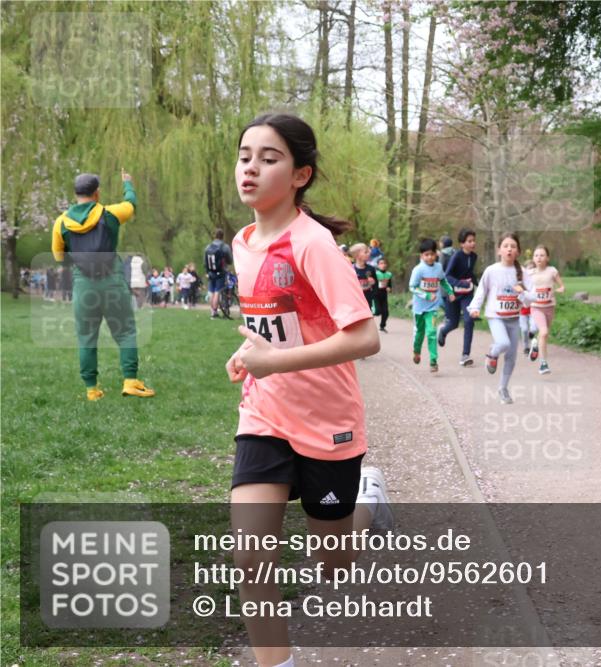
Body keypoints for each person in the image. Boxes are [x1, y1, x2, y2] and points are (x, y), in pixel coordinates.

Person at [226, 112, 391, 667]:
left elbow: (365, 337)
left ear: (301, 175)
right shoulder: (243, 242)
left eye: (268, 158)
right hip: (266, 414)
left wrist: (275, 360)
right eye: (245, 156)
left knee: (333, 563)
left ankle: (367, 499)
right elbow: (274, 325)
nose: (251, 168)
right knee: (251, 558)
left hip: (328, 422)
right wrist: (250, 356)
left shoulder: (313, 244)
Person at [51, 169, 155, 400]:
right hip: (112, 281)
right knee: (125, 331)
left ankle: (92, 389)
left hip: (83, 285)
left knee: (86, 337)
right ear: (96, 193)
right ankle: (130, 381)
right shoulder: (110, 214)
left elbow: (59, 256)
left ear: (76, 194)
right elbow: (131, 204)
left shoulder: (61, 223)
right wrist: (128, 184)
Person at [468, 233, 534, 404]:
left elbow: (531, 298)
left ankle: (503, 388)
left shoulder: (523, 273)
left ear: (518, 251)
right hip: (495, 316)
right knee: (503, 343)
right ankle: (492, 353)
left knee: (512, 356)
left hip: (514, 318)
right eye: (505, 246)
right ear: (499, 250)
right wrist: (475, 308)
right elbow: (481, 290)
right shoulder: (492, 270)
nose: (509, 249)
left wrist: (522, 293)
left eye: (513, 246)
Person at [409, 238, 455, 372]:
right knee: (420, 333)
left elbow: (443, 281)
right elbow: (412, 287)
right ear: (421, 256)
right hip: (419, 308)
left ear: (436, 254)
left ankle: (433, 361)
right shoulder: (418, 270)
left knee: (431, 333)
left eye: (432, 254)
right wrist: (427, 295)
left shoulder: (438, 267)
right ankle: (416, 351)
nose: (429, 257)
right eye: (426, 255)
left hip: (432, 308)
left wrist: (450, 292)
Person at [438, 228, 478, 366]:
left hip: (467, 294)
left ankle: (465, 355)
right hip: (453, 294)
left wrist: (480, 285)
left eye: (473, 241)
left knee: (469, 320)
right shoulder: (456, 256)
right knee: (453, 323)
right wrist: (461, 283)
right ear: (462, 244)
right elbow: (447, 276)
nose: (473, 243)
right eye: (469, 241)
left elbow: (469, 273)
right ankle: (443, 331)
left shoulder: (474, 256)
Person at [525, 245, 565, 374]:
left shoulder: (552, 271)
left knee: (544, 335)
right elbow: (522, 287)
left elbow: (561, 285)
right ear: (533, 258)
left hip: (549, 307)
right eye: (536, 255)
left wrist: (561, 289)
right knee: (544, 332)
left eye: (542, 255)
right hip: (536, 307)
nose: (539, 258)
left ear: (547, 258)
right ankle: (543, 364)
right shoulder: (529, 273)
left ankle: (535, 344)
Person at [205, 228, 234, 319]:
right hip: (221, 272)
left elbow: (205, 261)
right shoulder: (224, 247)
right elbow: (230, 260)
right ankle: (215, 311)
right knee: (217, 291)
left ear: (215, 236)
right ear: (222, 236)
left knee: (211, 291)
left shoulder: (208, 247)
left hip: (210, 272)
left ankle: (212, 311)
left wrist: (207, 272)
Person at [350, 243, 378, 315]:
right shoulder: (351, 269)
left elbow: (376, 284)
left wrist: (373, 293)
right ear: (357, 255)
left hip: (368, 299)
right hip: (355, 300)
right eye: (366, 252)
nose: (369, 253)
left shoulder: (371, 269)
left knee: (367, 316)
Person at [374, 257, 392, 332]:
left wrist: (389, 288)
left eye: (384, 263)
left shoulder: (389, 274)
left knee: (386, 313)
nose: (383, 265)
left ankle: (382, 326)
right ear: (378, 265)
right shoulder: (375, 274)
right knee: (378, 311)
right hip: (376, 295)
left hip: (384, 295)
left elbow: (390, 285)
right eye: (381, 263)